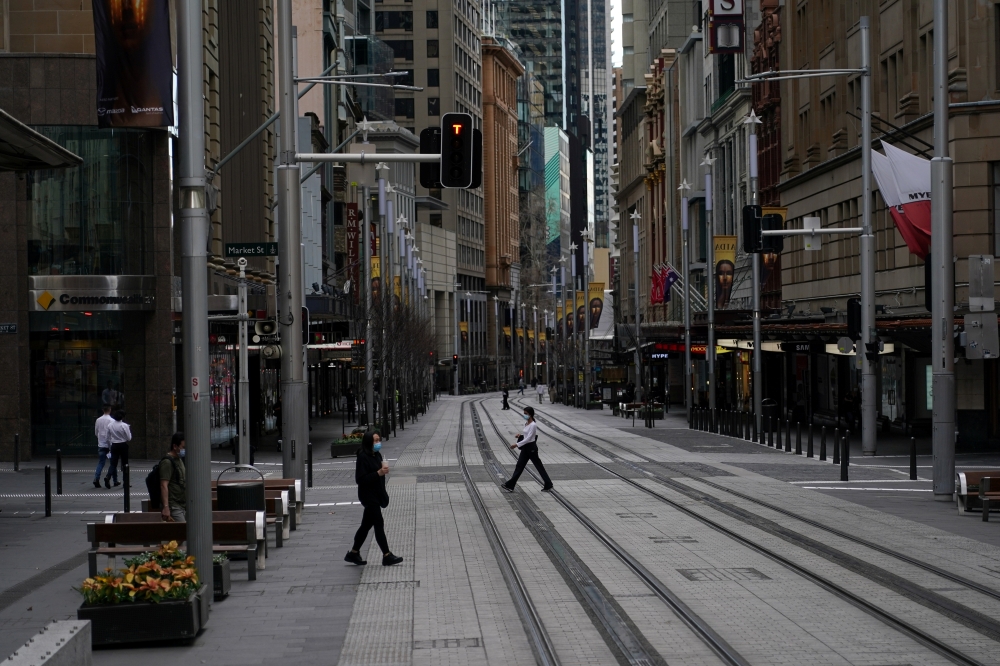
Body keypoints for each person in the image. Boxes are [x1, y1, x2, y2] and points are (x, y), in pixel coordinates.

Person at [345, 431, 403, 567]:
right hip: (368, 496)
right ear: (368, 442)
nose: (378, 443)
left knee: (366, 525)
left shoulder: (376, 455)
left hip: (376, 494)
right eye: (375, 440)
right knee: (378, 523)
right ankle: (386, 555)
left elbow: (379, 476)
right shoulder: (363, 457)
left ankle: (353, 553)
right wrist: (378, 473)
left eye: (379, 440)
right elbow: (360, 479)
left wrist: (382, 477)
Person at [502, 406, 553, 493]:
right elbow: (526, 435)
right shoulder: (527, 423)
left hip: (531, 448)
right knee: (519, 466)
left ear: (530, 414)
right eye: (524, 413)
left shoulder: (533, 425)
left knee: (538, 466)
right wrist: (520, 435)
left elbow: (529, 438)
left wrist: (517, 444)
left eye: (526, 414)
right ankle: (510, 485)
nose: (524, 415)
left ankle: (548, 484)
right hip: (526, 447)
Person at [159, 432, 187, 522]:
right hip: (174, 506)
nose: (184, 450)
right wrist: (166, 507)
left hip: (182, 504)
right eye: (183, 447)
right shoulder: (167, 462)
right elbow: (164, 485)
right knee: (183, 531)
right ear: (175, 446)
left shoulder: (179, 460)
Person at [104, 410, 131, 488]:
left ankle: (108, 476)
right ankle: (125, 482)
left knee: (113, 464)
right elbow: (129, 438)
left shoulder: (110, 425)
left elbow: (107, 438)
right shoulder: (124, 425)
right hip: (123, 445)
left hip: (114, 445)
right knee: (125, 464)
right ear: (122, 417)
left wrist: (109, 446)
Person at [93, 404, 114, 488]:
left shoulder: (98, 420)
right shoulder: (111, 420)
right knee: (113, 463)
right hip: (109, 444)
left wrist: (100, 438)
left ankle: (96, 478)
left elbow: (96, 432)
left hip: (101, 444)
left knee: (101, 462)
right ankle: (112, 479)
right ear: (110, 410)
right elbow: (111, 434)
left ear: (103, 410)